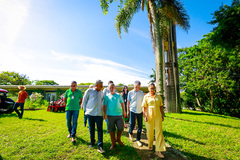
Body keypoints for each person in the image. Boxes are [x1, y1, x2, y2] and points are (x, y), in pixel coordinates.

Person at [142, 83, 166, 158]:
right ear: (148, 88)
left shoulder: (158, 96)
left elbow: (161, 106)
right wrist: (145, 116)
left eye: (153, 88)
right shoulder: (146, 96)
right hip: (149, 116)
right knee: (150, 131)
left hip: (158, 115)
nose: (152, 89)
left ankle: (159, 150)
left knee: (159, 132)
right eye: (151, 88)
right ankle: (150, 144)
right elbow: (144, 107)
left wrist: (162, 115)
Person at [82, 80, 105, 153]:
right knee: (91, 129)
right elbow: (84, 101)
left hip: (99, 114)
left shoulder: (102, 93)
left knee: (100, 130)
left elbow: (103, 102)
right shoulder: (89, 91)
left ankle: (100, 146)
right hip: (90, 113)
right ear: (96, 85)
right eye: (100, 85)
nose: (102, 87)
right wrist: (86, 111)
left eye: (102, 85)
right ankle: (92, 142)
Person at [103, 83, 126, 150]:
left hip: (119, 115)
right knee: (111, 130)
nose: (111, 89)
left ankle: (118, 139)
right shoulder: (107, 96)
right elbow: (105, 106)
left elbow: (122, 103)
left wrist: (124, 111)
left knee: (120, 128)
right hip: (110, 116)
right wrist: (105, 114)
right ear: (108, 88)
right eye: (110, 87)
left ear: (115, 88)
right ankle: (113, 143)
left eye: (112, 87)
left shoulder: (118, 95)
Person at [127, 80, 145, 147]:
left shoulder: (142, 93)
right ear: (134, 86)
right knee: (132, 123)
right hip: (132, 110)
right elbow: (128, 102)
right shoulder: (130, 92)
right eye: (136, 87)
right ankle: (130, 133)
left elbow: (144, 102)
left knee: (140, 126)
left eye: (138, 87)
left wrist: (144, 111)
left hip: (140, 111)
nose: (137, 88)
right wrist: (128, 111)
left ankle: (138, 139)